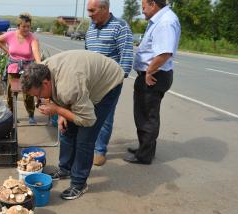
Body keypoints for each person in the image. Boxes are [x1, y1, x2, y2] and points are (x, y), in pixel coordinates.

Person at [21, 50, 124, 200]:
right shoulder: (40, 69)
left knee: (85, 137)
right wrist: (62, 113)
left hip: (108, 83)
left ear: (45, 83)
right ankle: (65, 169)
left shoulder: (69, 88)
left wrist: (57, 110)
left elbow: (88, 120)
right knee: (67, 129)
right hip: (81, 80)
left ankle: (79, 183)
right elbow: (58, 96)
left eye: (38, 95)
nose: (39, 99)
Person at [124, 0, 181, 165]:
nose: (142, 11)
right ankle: (144, 149)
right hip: (153, 74)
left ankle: (144, 155)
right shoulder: (161, 19)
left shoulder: (166, 21)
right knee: (144, 114)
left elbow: (164, 53)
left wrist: (149, 71)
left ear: (153, 4)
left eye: (143, 7)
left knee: (147, 116)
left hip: (154, 75)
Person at [85, 0, 133, 166]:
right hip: (90, 82)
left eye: (92, 10)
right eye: (88, 11)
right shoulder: (91, 27)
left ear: (104, 9)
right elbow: (86, 55)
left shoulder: (120, 27)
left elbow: (126, 57)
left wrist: (116, 82)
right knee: (88, 114)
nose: (89, 14)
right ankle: (88, 147)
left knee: (105, 117)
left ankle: (100, 150)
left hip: (109, 84)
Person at [0, 13, 41, 125]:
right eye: (23, 26)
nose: (26, 29)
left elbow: (35, 51)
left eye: (28, 26)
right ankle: (12, 116)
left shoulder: (32, 38)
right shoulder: (10, 35)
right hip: (13, 68)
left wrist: (40, 64)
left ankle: (31, 115)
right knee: (12, 93)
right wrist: (7, 51)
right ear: (18, 26)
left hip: (27, 68)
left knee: (28, 92)